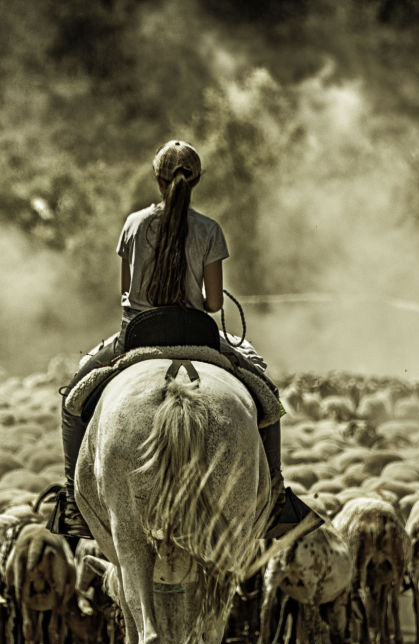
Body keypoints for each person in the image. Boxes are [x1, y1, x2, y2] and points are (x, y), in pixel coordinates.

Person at [45, 139, 313, 541]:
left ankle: (72, 500)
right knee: (266, 395)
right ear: (197, 180)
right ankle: (274, 497)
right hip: (196, 332)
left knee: (73, 400)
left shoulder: (134, 224)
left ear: (157, 179)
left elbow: (124, 292)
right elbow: (214, 302)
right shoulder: (209, 230)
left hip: (139, 333)